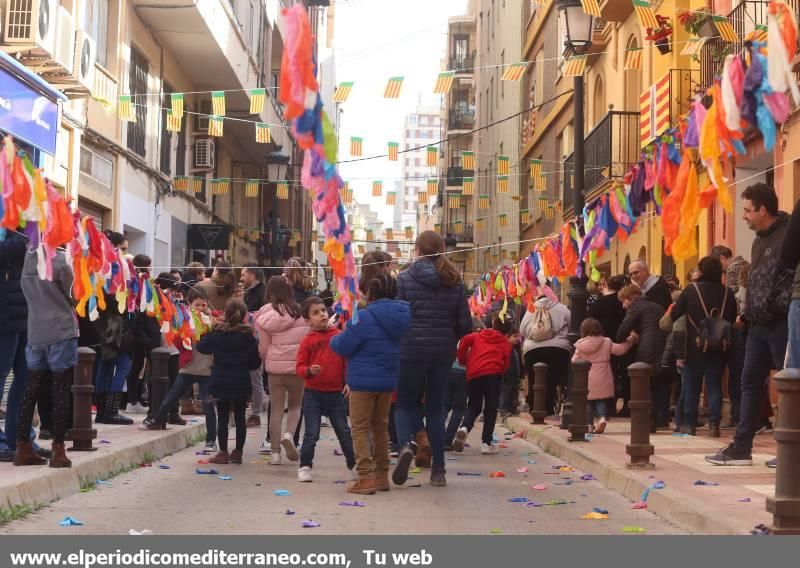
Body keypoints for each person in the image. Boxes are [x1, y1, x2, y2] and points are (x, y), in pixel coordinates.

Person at [706, 184, 793, 467]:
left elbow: (791, 279)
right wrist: (748, 312)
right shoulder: (757, 240)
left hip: (782, 323)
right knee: (748, 383)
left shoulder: (791, 233)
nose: (743, 216)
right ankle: (741, 448)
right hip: (756, 325)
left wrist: (776, 306)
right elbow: (756, 280)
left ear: (762, 210)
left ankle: (792, 450)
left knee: (791, 386)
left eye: (746, 210)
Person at [392, 231, 472, 488]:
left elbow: (397, 316)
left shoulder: (403, 279)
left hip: (411, 350)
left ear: (417, 250)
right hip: (442, 353)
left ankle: (406, 444)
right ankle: (439, 469)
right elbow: (465, 324)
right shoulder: (455, 281)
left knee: (404, 403)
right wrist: (450, 339)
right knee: (435, 409)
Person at [331, 275, 411, 494]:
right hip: (387, 380)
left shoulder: (362, 317)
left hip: (362, 381)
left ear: (371, 293)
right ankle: (381, 476)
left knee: (359, 428)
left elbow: (342, 346)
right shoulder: (401, 316)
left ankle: (365, 477)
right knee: (380, 427)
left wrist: (335, 336)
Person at [14, 248, 78, 468]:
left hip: (35, 331)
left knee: (31, 389)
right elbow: (75, 294)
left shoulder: (28, 258)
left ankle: (22, 447)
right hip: (61, 329)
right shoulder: (61, 260)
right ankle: (58, 450)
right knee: (60, 390)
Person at [662, 257, 736, 436]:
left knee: (692, 386)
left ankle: (690, 425)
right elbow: (732, 319)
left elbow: (676, 313)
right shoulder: (727, 292)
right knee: (715, 385)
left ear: (701, 271)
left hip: (694, 345)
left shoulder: (691, 290)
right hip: (719, 346)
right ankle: (714, 425)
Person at [143, 290, 217, 450]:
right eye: (197, 305)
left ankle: (211, 439)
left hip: (206, 370)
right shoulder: (185, 320)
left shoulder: (212, 322)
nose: (201, 308)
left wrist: (210, 324)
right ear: (190, 305)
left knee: (208, 406)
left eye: (204, 305)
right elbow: (176, 337)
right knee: (172, 396)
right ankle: (157, 420)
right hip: (188, 367)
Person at [295, 297, 356, 483]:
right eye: (316, 312)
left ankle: (353, 464)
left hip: (335, 393)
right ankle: (305, 466)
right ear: (307, 320)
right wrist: (308, 371)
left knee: (344, 431)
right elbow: (299, 366)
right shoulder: (307, 341)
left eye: (323, 310)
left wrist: (348, 382)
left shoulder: (338, 335)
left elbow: (347, 361)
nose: (322, 314)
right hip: (313, 393)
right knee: (311, 432)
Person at [0, 230, 48, 462]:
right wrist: (28, 236)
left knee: (26, 379)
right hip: (4, 315)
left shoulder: (23, 225)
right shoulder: (16, 229)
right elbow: (11, 250)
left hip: (25, 313)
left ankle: (21, 438)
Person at [195, 299, 260, 464]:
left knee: (223, 417)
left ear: (226, 314)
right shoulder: (248, 337)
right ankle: (238, 452)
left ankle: (223, 452)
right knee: (239, 417)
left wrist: (205, 330)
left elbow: (202, 348)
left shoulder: (217, 334)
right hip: (241, 381)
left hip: (220, 380)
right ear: (244, 316)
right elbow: (255, 364)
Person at [254, 276, 309, 465]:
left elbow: (262, 347)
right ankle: (289, 434)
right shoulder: (301, 312)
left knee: (276, 409)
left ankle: (275, 453)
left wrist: (268, 360)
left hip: (275, 368)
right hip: (296, 367)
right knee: (295, 406)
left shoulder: (264, 314)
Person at [452, 314, 513, 454]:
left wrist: (463, 360)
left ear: (493, 324)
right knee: (491, 409)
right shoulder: (505, 343)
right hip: (493, 374)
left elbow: (464, 341)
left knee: (473, 405)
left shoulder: (478, 335)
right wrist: (500, 373)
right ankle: (486, 443)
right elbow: (506, 363)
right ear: (508, 331)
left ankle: (464, 428)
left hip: (474, 373)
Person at [94, 231, 135, 425]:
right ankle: (110, 410)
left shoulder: (102, 264)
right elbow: (115, 297)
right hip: (114, 322)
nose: (126, 253)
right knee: (123, 364)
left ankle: (103, 410)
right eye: (123, 248)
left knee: (106, 364)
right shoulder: (113, 267)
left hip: (104, 321)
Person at [616, 284, 667, 431]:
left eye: (624, 301)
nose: (623, 306)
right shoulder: (657, 306)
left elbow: (622, 331)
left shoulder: (636, 307)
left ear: (632, 298)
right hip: (663, 346)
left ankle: (647, 421)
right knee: (658, 384)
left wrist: (629, 337)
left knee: (645, 384)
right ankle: (660, 418)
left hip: (647, 348)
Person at [573, 318, 637, 433]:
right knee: (600, 400)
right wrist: (631, 339)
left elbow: (574, 360)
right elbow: (620, 350)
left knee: (589, 402)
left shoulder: (580, 345)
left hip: (586, 377)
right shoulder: (606, 341)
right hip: (603, 375)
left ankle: (589, 425)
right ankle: (602, 418)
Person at [520, 293, 572, 418]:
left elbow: (522, 330)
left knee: (534, 380)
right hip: (558, 349)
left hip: (533, 350)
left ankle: (535, 408)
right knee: (553, 379)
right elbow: (572, 327)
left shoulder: (530, 309)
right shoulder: (562, 308)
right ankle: (550, 407)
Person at [588, 275, 630, 415]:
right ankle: (627, 406)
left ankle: (608, 407)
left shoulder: (599, 303)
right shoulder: (624, 303)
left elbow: (590, 322)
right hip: (625, 341)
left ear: (607, 285)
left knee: (607, 374)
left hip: (603, 343)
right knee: (626, 374)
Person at [125, 255, 162, 414]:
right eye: (149, 265)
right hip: (140, 332)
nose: (151, 268)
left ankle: (136, 398)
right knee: (137, 366)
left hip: (142, 331)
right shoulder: (139, 283)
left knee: (140, 366)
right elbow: (140, 308)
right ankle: (132, 400)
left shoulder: (144, 282)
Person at [241, 264, 267, 427]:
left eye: (243, 275)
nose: (241, 278)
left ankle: (256, 413)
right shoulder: (250, 292)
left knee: (255, 378)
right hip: (248, 340)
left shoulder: (262, 293)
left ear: (252, 275)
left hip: (257, 341)